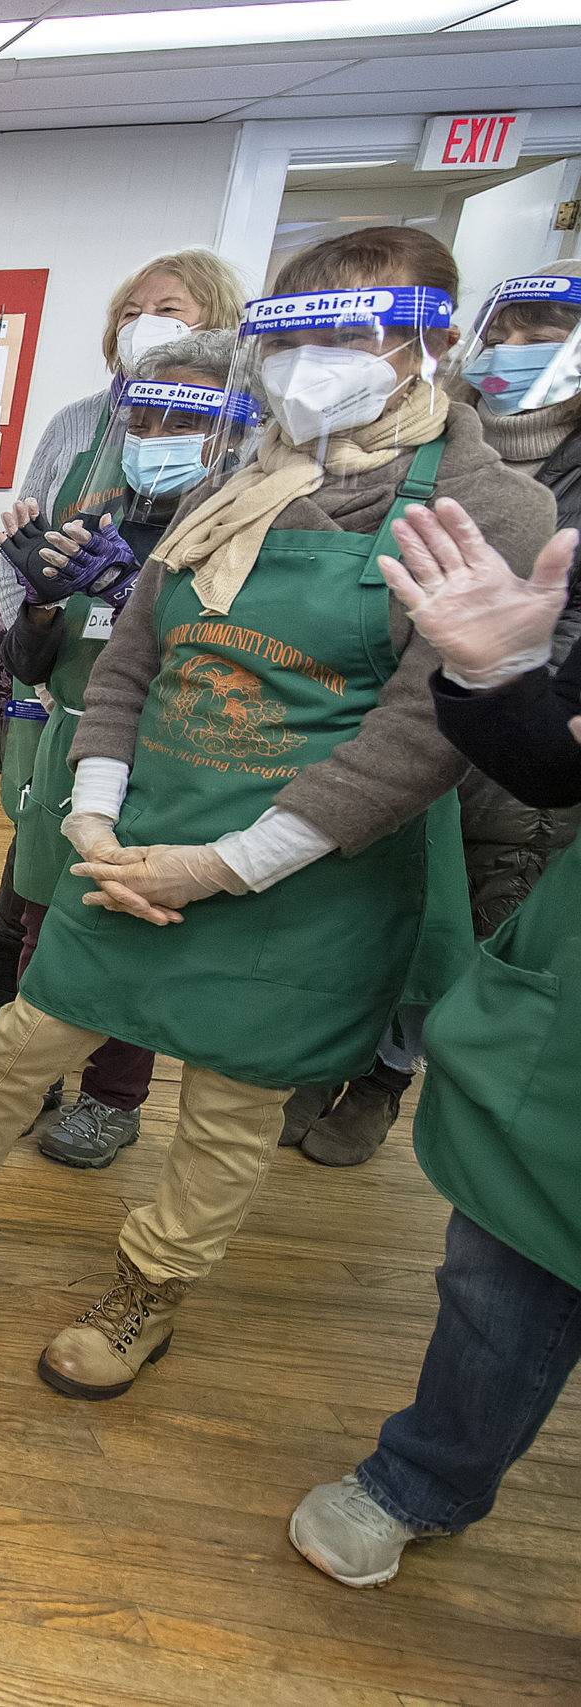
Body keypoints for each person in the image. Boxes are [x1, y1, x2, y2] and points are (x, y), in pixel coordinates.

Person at [0, 226, 555, 1401]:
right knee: (28, 1038)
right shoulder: (235, 488)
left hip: (306, 865)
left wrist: (225, 865)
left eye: (345, 338)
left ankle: (148, 1288)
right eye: (290, 338)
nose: (306, 366)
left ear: (427, 342)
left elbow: (419, 736)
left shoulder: (488, 507)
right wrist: (93, 820)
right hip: (137, 834)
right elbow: (126, 667)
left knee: (230, 1102)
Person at [289, 496, 581, 1587]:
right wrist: (500, 681)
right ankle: (426, 1478)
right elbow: (554, 768)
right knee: (502, 1274)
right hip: (568, 1044)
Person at [281, 259, 581, 1167]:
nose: (523, 351)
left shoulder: (527, 490)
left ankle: (384, 1075)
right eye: (515, 329)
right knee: (351, 904)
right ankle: (319, 1052)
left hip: (528, 731)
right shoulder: (418, 444)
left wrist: (509, 665)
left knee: (457, 918)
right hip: (408, 704)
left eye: (549, 334)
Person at [0, 249, 248, 1044]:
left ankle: (108, 1062)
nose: (144, 323)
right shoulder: (78, 423)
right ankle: (0, 973)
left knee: (124, 859)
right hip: (59, 679)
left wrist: (128, 595)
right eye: (132, 309)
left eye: (170, 309)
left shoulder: (241, 443)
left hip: (169, 697)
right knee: (37, 831)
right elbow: (28, 541)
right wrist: (34, 619)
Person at [0, 330, 243, 1168]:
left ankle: (113, 1097)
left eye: (183, 421)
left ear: (231, 432)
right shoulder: (94, 518)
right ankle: (38, 1076)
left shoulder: (234, 537)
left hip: (163, 755)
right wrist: (37, 603)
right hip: (67, 739)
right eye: (145, 416)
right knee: (40, 921)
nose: (157, 438)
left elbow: (223, 661)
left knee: (125, 935)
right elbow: (34, 662)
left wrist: (129, 591)